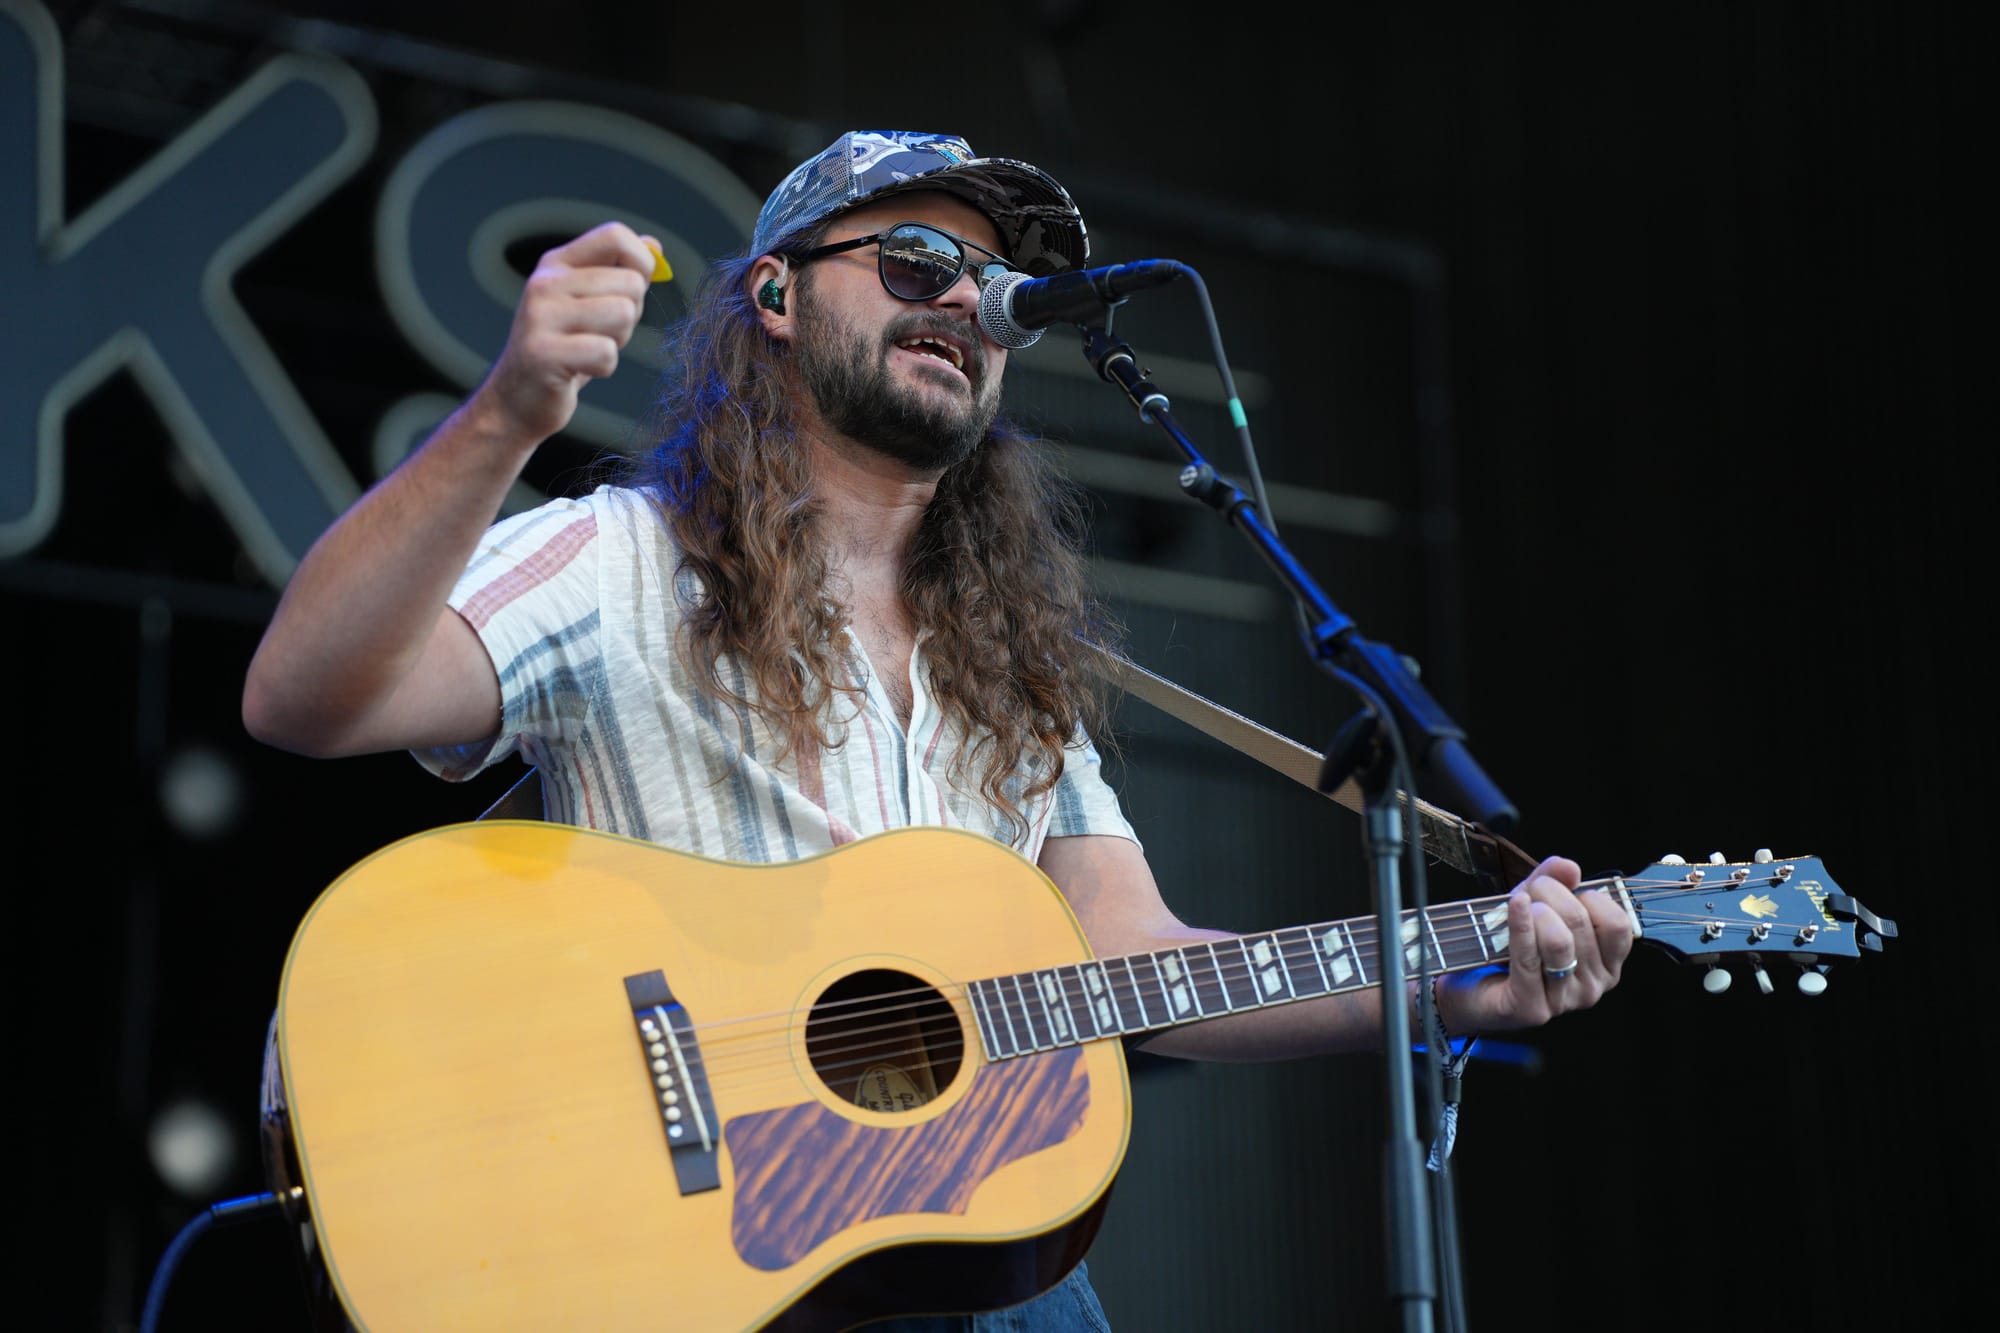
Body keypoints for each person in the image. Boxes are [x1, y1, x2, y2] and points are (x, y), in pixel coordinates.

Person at [242, 129, 1634, 1330]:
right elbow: (305, 698)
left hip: (958, 1263)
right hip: (675, 1251)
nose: (965, 299)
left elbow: (1133, 959)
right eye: (913, 259)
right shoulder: (620, 561)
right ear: (777, 295)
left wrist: (1442, 984)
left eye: (995, 286)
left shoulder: (1014, 662)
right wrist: (508, 416)